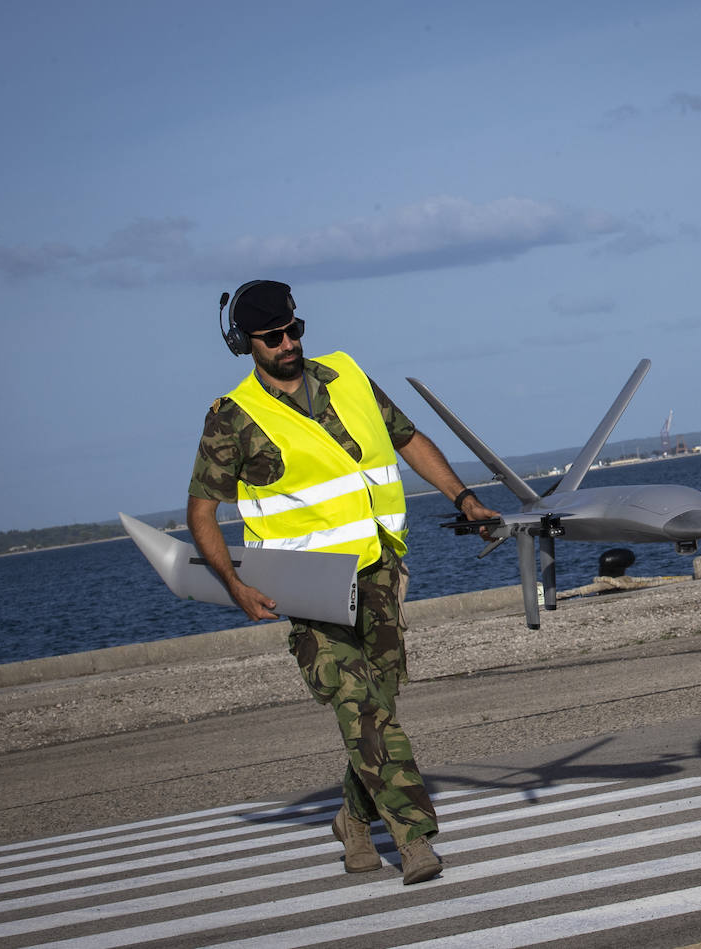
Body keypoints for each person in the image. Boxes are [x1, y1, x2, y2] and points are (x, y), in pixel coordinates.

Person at [187, 279, 498, 883]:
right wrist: (235, 584)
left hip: (379, 570)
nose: (287, 344)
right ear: (244, 344)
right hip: (308, 588)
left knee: (379, 704)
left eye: (293, 329)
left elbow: (407, 438)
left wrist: (463, 497)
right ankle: (413, 839)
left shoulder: (348, 375)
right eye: (272, 337)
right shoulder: (233, 417)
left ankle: (354, 824)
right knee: (358, 707)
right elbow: (202, 512)